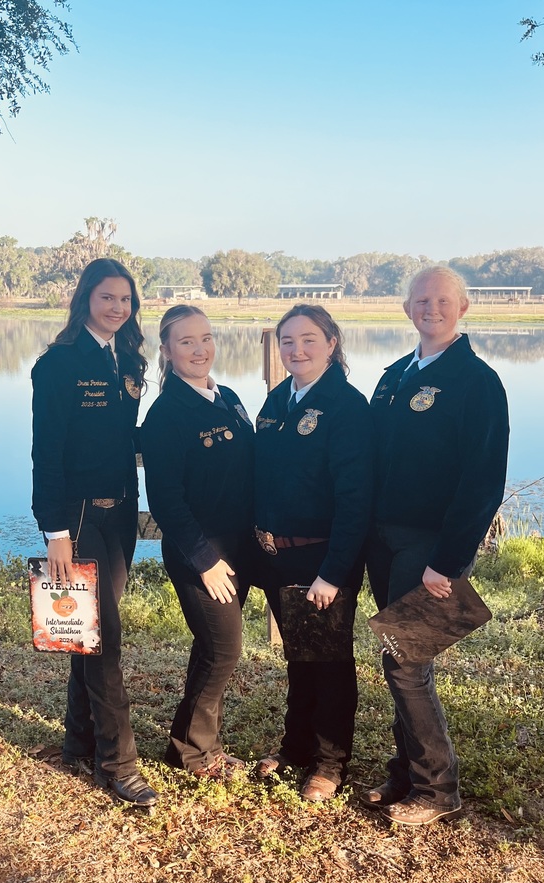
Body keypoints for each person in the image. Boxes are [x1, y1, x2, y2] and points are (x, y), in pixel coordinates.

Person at [365, 265, 509, 826]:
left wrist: (447, 561)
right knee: (398, 656)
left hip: (431, 548)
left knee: (406, 662)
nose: (432, 307)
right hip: (384, 540)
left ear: (463, 307)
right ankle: (405, 771)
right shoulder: (396, 374)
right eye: (421, 300)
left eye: (443, 300)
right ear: (407, 309)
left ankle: (437, 788)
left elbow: (482, 483)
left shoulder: (478, 382)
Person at [30, 257, 157, 809]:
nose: (118, 308)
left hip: (122, 513)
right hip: (78, 517)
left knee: (88, 629)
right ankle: (118, 763)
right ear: (86, 299)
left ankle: (77, 739)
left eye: (126, 300)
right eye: (108, 297)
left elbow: (126, 438)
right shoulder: (57, 365)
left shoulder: (127, 359)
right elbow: (46, 453)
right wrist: (54, 529)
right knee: (103, 636)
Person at [253, 304, 374, 802]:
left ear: (331, 343)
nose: (296, 350)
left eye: (308, 339)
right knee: (299, 658)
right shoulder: (280, 399)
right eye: (287, 341)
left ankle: (329, 762)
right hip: (279, 556)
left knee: (329, 661)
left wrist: (333, 572)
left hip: (325, 557)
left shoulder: (347, 407)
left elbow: (356, 500)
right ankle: (295, 747)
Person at [140, 305, 256, 779]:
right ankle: (194, 754)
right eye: (186, 342)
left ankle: (190, 744)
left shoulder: (226, 396)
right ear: (166, 350)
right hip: (201, 553)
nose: (199, 349)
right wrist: (205, 559)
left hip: (240, 547)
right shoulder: (166, 413)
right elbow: (166, 501)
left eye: (206, 338)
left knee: (211, 648)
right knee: (224, 649)